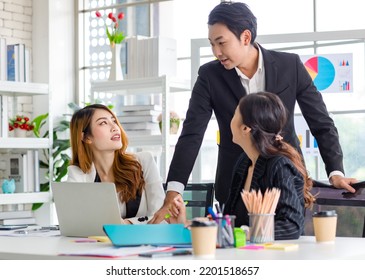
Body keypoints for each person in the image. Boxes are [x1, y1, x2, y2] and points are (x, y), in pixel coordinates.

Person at [150, 1, 357, 224]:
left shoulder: (290, 66)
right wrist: (173, 191)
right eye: (212, 44)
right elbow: (192, 133)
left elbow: (321, 122)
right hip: (235, 184)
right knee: (234, 247)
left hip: (287, 179)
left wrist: (335, 172)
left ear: (246, 37)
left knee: (290, 243)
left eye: (221, 43)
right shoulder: (209, 75)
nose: (216, 52)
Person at [67, 104, 185, 224]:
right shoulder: (78, 174)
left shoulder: (144, 162)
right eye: (103, 123)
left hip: (144, 241)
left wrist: (126, 224)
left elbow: (161, 218)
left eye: (114, 121)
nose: (114, 127)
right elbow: (76, 222)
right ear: (86, 137)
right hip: (96, 242)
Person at [225, 92, 315, 239]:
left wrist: (248, 233)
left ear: (245, 128)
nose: (231, 120)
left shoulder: (279, 166)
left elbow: (291, 225)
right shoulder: (243, 162)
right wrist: (199, 225)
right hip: (245, 254)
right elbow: (229, 219)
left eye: (235, 114)